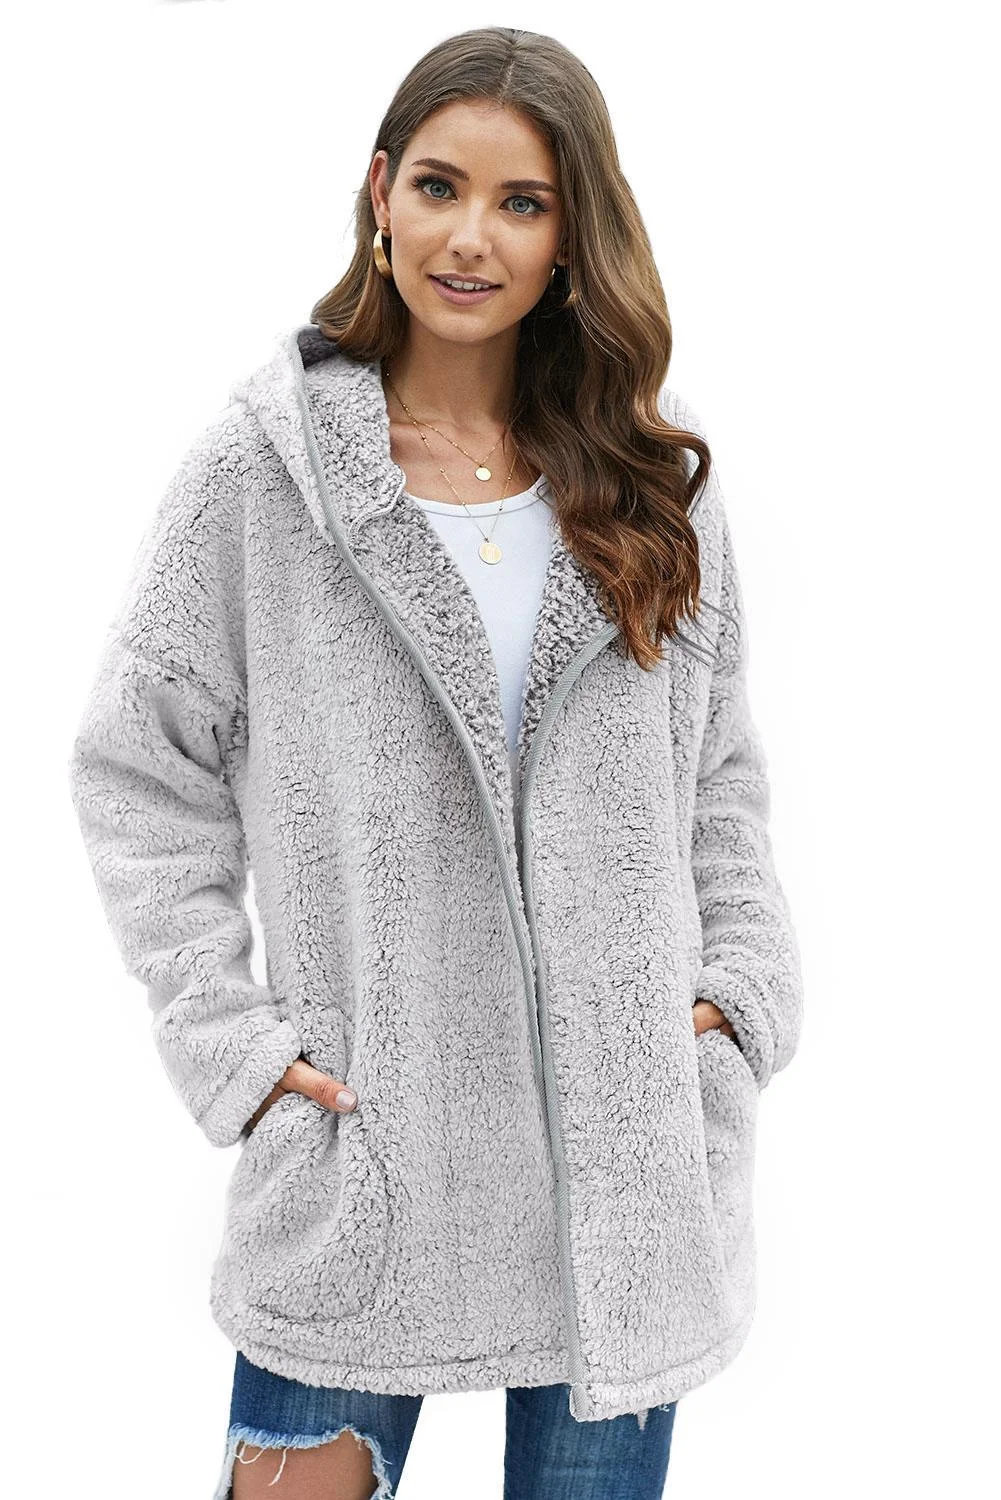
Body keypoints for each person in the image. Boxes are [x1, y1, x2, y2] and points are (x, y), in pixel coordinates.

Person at [67, 26, 803, 1500]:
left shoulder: (653, 481)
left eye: (523, 203)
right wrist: (238, 1051)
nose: (473, 237)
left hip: (622, 1175)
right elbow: (138, 766)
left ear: (573, 233)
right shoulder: (265, 475)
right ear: (379, 194)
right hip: (372, 1161)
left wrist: (735, 1001)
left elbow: (717, 771)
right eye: (440, 187)